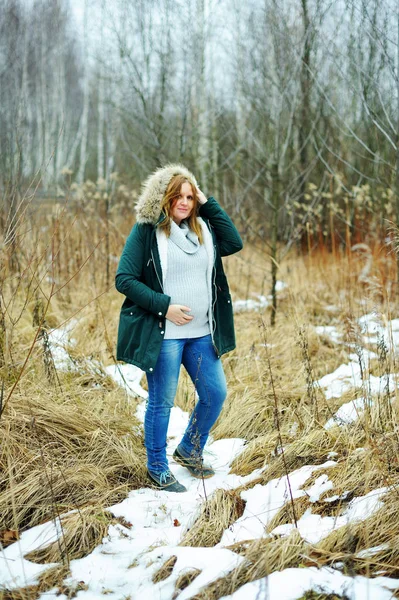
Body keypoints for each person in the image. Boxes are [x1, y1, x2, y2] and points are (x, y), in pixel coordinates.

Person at [115, 164, 243, 492]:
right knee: (162, 401)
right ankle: (157, 466)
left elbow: (235, 242)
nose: (185, 202)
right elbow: (124, 280)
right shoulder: (146, 231)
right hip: (167, 335)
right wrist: (165, 307)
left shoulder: (203, 229)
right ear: (164, 197)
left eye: (190, 196)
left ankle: (189, 449)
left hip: (201, 333)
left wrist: (205, 200)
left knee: (215, 394)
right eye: (178, 196)